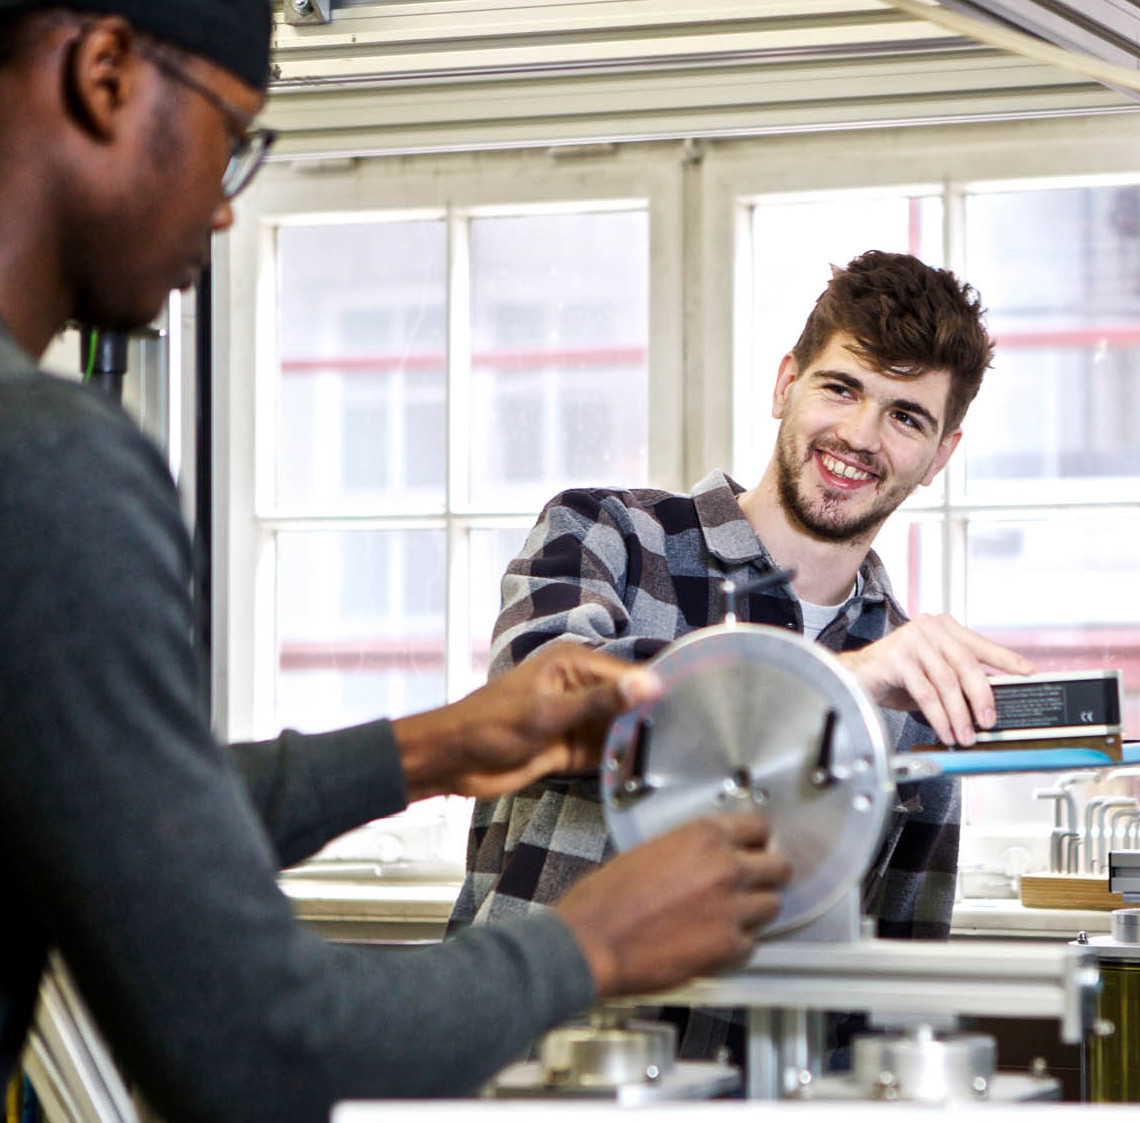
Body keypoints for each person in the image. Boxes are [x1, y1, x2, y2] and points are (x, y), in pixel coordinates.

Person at [0, 2, 791, 1122]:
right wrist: (595, 940)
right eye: (234, 141)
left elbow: (111, 816)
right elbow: (265, 1047)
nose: (224, 207)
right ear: (107, 72)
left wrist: (436, 745)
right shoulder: (47, 463)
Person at [453, 252, 1034, 978]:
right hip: (537, 1038)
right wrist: (836, 684)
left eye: (905, 417)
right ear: (786, 384)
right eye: (841, 388)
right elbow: (531, 716)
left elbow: (893, 980)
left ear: (940, 455)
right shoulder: (608, 534)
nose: (861, 435)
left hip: (765, 1058)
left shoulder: (916, 686)